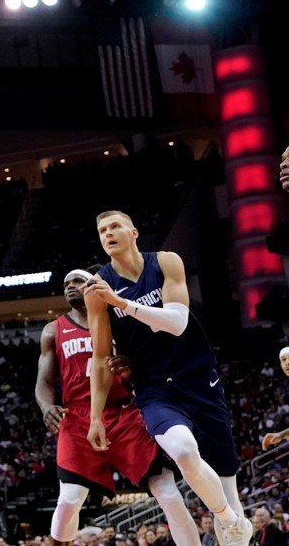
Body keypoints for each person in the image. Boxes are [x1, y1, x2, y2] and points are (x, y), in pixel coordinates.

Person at [84, 210, 251, 546]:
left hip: (199, 378)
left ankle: (232, 520)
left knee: (227, 485)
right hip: (154, 388)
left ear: (133, 231)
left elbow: (177, 323)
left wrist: (122, 303)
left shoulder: (166, 262)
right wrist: (94, 416)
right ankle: (230, 520)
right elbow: (101, 359)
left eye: (114, 226)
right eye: (102, 231)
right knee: (183, 451)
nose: (108, 233)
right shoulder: (97, 290)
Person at [35, 266, 199, 546]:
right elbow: (44, 381)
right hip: (78, 416)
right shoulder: (53, 330)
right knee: (69, 500)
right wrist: (46, 406)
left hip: (124, 411)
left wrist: (130, 369)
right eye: (66, 284)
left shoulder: (121, 322)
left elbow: (149, 365)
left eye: (78, 281)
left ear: (95, 287)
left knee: (169, 493)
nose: (70, 287)